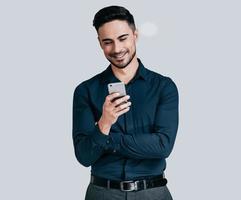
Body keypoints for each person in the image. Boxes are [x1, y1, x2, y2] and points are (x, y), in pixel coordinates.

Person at [72, 5, 179, 200]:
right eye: (108, 42)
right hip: (102, 194)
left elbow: (163, 146)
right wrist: (105, 122)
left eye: (123, 38)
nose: (117, 49)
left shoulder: (164, 87)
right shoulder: (85, 91)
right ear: (99, 43)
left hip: (153, 193)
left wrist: (108, 140)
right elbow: (84, 156)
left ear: (135, 35)